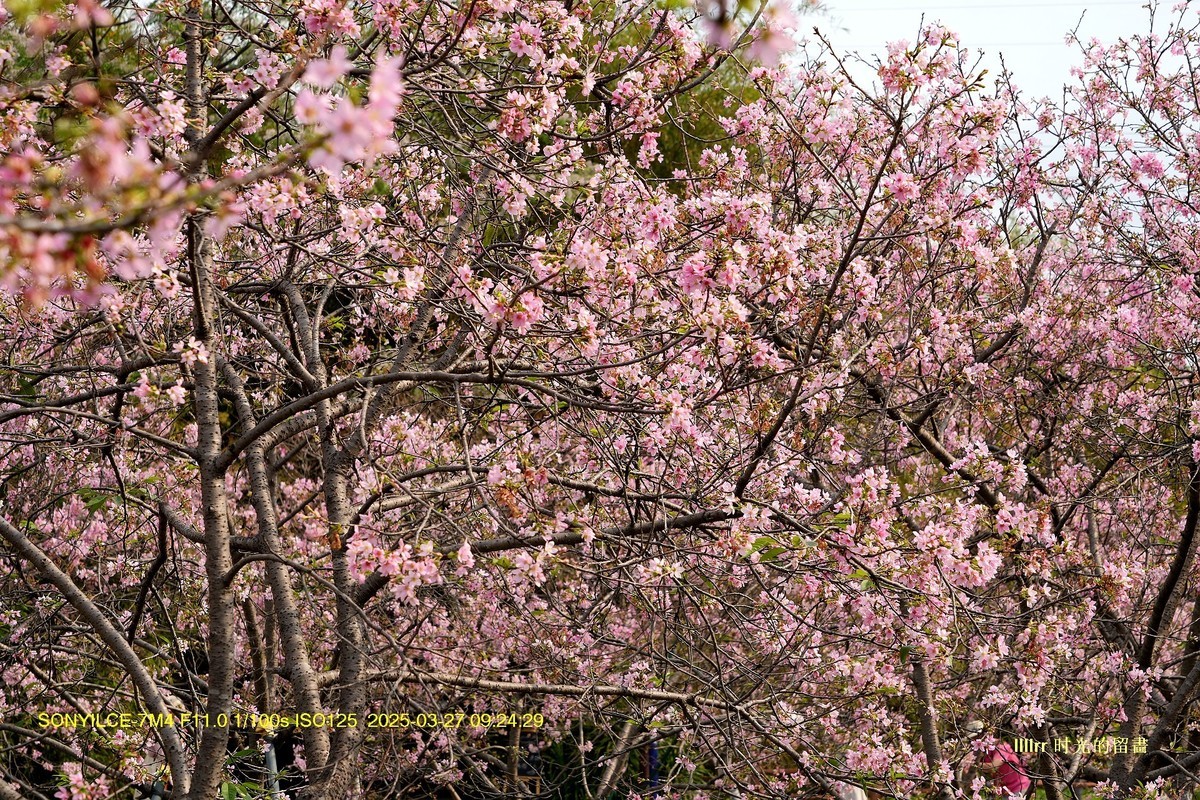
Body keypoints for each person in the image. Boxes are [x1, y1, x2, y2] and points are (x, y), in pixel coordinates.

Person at [964, 720, 1033, 798]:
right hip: (1005, 790)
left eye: (976, 737)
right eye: (972, 738)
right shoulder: (980, 751)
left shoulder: (1000, 746)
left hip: (1019, 787)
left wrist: (971, 764)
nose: (974, 740)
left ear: (984, 734)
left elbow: (994, 766)